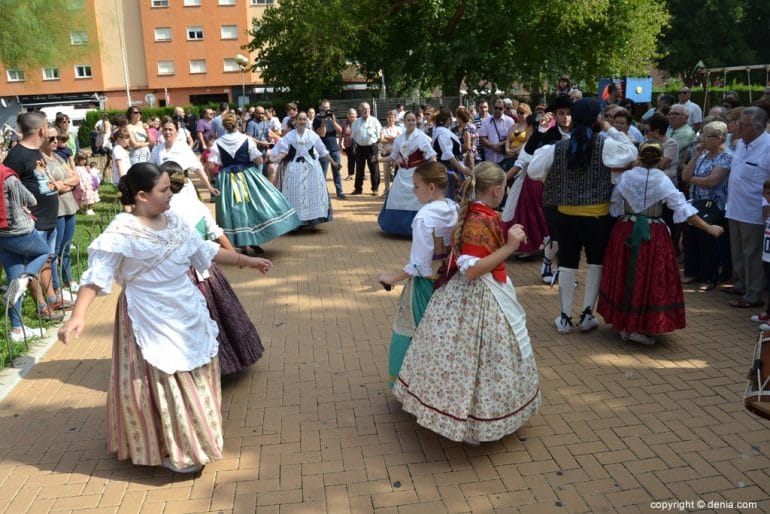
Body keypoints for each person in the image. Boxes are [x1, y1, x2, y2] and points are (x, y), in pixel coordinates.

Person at [58, 162, 272, 474]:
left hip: (184, 306)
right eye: (164, 190)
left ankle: (196, 440)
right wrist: (78, 316)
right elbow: (95, 277)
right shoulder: (121, 232)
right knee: (163, 382)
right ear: (142, 196)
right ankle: (173, 447)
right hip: (147, 312)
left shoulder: (174, 221)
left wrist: (246, 261)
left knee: (197, 373)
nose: (170, 194)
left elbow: (204, 251)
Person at [392, 162, 541, 445]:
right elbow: (472, 270)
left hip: (469, 293)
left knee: (461, 357)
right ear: (497, 191)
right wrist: (509, 246)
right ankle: (470, 418)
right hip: (477, 293)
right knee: (476, 358)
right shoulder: (477, 220)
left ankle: (462, 413)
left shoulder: (474, 212)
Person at [528, 99, 637, 335]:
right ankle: (587, 314)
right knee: (595, 263)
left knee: (567, 263)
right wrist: (608, 127)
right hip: (598, 217)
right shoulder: (605, 145)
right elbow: (631, 152)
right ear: (597, 119)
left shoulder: (557, 148)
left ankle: (565, 317)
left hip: (566, 215)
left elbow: (533, 171)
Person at [598, 142, 724, 345]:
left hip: (626, 230)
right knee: (647, 276)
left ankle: (626, 324)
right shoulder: (663, 180)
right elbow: (682, 210)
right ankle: (636, 327)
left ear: (639, 158)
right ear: (660, 160)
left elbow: (615, 204)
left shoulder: (627, 177)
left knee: (627, 274)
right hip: (652, 234)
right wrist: (710, 228)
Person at [163, 161, 265, 375]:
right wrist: (239, 259)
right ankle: (227, 359)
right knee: (218, 313)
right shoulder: (195, 205)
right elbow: (216, 234)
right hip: (203, 270)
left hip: (176, 275)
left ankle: (193, 366)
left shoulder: (163, 210)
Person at [378, 162, 458, 387]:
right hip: (451, 281)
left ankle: (413, 386)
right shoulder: (453, 207)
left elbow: (419, 264)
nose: (414, 191)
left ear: (431, 188)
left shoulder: (423, 217)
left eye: (416, 186)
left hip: (427, 284)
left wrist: (390, 278)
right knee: (443, 335)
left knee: (413, 333)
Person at [209, 113, 300, 250]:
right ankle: (254, 239)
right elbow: (258, 159)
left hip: (227, 179)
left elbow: (210, 164)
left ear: (224, 126)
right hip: (247, 175)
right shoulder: (246, 139)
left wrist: (212, 179)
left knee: (234, 210)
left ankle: (242, 244)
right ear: (238, 125)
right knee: (252, 207)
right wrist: (257, 172)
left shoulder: (218, 143)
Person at [4, 112, 63, 321]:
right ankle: (40, 306)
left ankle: (51, 299)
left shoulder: (36, 152)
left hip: (49, 218)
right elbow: (7, 187)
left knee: (46, 260)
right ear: (41, 130)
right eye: (47, 126)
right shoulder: (17, 156)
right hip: (32, 222)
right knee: (35, 261)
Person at [725, 107, 770, 308]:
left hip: (754, 211)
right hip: (735, 207)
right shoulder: (742, 143)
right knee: (738, 251)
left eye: (743, 125)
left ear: (758, 128)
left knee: (752, 253)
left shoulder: (768, 147)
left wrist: (765, 207)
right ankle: (742, 284)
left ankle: (754, 294)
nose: (737, 128)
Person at [0, 163, 48, 343]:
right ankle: (24, 280)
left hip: (1, 236)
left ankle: (17, 329)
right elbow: (31, 200)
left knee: (13, 277)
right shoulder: (8, 176)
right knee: (44, 252)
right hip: (19, 231)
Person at [681, 121, 732, 290]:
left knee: (708, 241)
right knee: (692, 239)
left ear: (719, 138)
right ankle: (693, 272)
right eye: (702, 135)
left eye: (707, 136)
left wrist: (692, 179)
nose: (702, 139)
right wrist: (696, 155)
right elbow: (684, 175)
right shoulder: (702, 155)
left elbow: (712, 181)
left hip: (714, 206)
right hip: (695, 204)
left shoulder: (726, 157)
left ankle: (709, 278)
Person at [270, 112, 338, 227]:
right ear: (296, 121)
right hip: (295, 168)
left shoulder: (312, 135)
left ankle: (313, 221)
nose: (302, 121)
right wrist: (273, 159)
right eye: (300, 119)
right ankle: (295, 222)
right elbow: (283, 151)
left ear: (307, 121)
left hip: (312, 169)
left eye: (304, 119)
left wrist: (334, 162)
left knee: (312, 193)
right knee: (294, 194)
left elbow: (323, 151)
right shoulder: (290, 136)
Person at [378, 111, 437, 236]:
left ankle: (417, 228)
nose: (411, 122)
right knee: (396, 197)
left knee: (417, 199)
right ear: (404, 122)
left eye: (413, 120)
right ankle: (396, 227)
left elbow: (431, 154)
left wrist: (434, 169)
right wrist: (379, 159)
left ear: (416, 121)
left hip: (417, 174)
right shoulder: (399, 139)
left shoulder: (421, 137)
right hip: (402, 174)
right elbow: (393, 156)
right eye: (408, 120)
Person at [41, 127, 81, 302]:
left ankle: (69, 279)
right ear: (42, 139)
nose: (55, 141)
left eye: (56, 138)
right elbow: (49, 186)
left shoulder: (57, 157)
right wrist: (65, 184)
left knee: (66, 247)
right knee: (55, 252)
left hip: (69, 206)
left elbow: (76, 178)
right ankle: (57, 288)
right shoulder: (40, 160)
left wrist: (62, 183)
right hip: (56, 210)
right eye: (51, 139)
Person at [150, 117, 219, 199]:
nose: (167, 132)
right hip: (164, 190)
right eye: (165, 129)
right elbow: (151, 170)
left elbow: (197, 169)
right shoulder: (157, 149)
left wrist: (209, 187)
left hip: (183, 190)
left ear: (177, 131)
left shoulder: (183, 148)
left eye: (170, 129)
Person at [433, 107, 471, 200]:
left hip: (453, 166)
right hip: (448, 168)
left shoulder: (442, 131)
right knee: (449, 196)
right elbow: (448, 154)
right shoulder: (442, 133)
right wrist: (461, 169)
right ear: (448, 119)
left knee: (457, 196)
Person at [313, 100, 345, 199]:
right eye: (324, 108)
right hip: (323, 150)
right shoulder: (317, 119)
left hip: (334, 148)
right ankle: (322, 193)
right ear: (320, 108)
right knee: (323, 172)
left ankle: (340, 192)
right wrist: (323, 120)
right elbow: (322, 133)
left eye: (327, 108)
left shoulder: (332, 117)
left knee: (337, 171)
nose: (326, 110)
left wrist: (333, 121)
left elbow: (340, 131)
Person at [351, 102, 382, 196]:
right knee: (359, 168)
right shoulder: (356, 122)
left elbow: (380, 133)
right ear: (360, 110)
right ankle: (358, 188)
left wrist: (377, 146)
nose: (366, 111)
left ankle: (375, 189)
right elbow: (354, 136)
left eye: (368, 109)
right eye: (364, 109)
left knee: (374, 168)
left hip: (372, 147)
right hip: (360, 147)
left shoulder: (374, 121)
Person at [379, 110, 402, 194]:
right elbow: (381, 140)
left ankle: (395, 190)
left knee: (396, 172)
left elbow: (400, 139)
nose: (391, 119)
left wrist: (387, 138)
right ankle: (386, 190)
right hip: (386, 153)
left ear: (395, 119)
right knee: (386, 173)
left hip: (396, 154)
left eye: (392, 117)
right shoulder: (383, 129)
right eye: (389, 117)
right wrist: (394, 138)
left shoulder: (398, 128)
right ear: (386, 119)